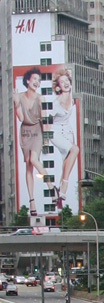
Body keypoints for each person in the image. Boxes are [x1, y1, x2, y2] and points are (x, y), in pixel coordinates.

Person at [13, 67, 44, 219]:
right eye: (34, 79)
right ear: (27, 80)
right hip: (25, 132)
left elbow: (44, 118)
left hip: (37, 130)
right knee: (28, 166)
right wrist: (16, 103)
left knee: (33, 159)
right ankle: (32, 201)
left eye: (39, 80)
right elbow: (20, 117)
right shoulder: (19, 96)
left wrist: (47, 136)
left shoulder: (40, 98)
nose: (37, 82)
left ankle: (51, 184)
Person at [50, 67, 80, 207]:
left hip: (67, 131)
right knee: (75, 150)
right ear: (58, 87)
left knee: (66, 163)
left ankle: (58, 191)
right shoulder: (56, 102)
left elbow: (71, 71)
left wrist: (71, 136)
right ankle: (64, 188)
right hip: (55, 132)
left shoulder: (72, 98)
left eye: (67, 80)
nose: (66, 83)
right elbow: (47, 121)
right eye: (62, 82)